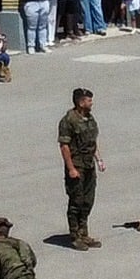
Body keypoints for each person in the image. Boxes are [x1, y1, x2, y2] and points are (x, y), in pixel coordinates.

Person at [56, 87, 101, 246]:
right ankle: (75, 236)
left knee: (88, 200)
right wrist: (71, 168)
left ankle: (84, 233)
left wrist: (98, 159)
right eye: (89, 100)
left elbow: (92, 141)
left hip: (89, 165)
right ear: (81, 102)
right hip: (77, 166)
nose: (91, 103)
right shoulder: (69, 121)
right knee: (76, 201)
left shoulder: (89, 118)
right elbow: (64, 146)